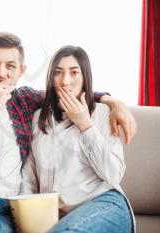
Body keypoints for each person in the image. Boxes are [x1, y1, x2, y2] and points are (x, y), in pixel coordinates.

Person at [0, 32, 137, 233]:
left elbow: (64, 90)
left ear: (21, 71)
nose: (1, 73)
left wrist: (112, 101)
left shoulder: (23, 100)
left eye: (10, 66)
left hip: (7, 209)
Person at [21, 45, 135, 233]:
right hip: (58, 213)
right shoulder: (38, 118)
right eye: (58, 73)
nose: (65, 81)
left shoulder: (103, 113)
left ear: (85, 79)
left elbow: (113, 175)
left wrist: (85, 124)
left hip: (103, 202)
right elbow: (29, 177)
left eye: (74, 73)